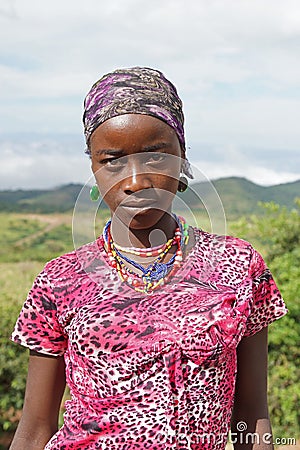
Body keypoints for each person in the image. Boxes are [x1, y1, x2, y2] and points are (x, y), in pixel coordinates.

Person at [10, 67, 287, 450]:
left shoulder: (238, 266)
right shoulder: (60, 280)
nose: (137, 180)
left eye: (156, 156)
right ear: (93, 167)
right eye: (113, 160)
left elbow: (252, 417)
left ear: (183, 158)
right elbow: (35, 428)